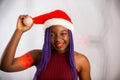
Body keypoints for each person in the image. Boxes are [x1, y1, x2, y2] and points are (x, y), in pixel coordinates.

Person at [1, 10, 91, 80]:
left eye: (63, 33)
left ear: (69, 35)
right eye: (52, 35)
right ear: (46, 37)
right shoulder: (37, 56)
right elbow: (6, 66)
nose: (58, 39)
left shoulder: (81, 60)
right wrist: (19, 31)